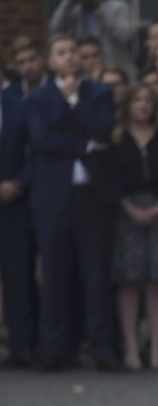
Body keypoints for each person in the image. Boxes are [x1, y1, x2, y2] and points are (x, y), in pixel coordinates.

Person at [27, 33, 120, 371]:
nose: (68, 58)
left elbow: (103, 132)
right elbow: (41, 141)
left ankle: (103, 349)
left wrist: (75, 103)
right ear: (50, 61)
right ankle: (54, 349)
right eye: (61, 53)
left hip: (92, 199)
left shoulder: (99, 93)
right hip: (53, 200)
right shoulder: (37, 98)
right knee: (54, 277)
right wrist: (82, 146)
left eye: (72, 53)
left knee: (96, 276)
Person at [110, 85, 158, 371]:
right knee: (129, 282)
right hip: (126, 212)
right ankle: (130, 347)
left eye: (148, 101)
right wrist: (130, 208)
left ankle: (156, 347)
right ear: (127, 105)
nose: (143, 105)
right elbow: (111, 179)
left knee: (156, 283)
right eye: (137, 100)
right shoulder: (117, 139)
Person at [0, 57, 37, 368]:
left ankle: (21, 346)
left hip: (13, 205)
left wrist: (18, 184)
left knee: (18, 278)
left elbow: (37, 154)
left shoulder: (19, 106)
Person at [49, 0, 135, 80]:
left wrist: (99, 8)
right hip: (82, 72)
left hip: (114, 67)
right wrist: (68, 3)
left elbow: (124, 35)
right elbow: (55, 29)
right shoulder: (74, 9)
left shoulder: (117, 6)